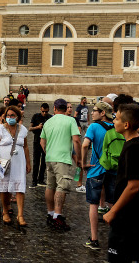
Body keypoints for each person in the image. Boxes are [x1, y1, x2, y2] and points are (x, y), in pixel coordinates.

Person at [103, 104, 139, 263]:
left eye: (116, 119)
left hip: (130, 213)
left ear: (126, 125)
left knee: (118, 257)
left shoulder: (133, 148)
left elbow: (133, 186)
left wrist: (113, 211)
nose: (113, 122)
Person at [40, 98, 81, 231]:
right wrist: (79, 158)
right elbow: (76, 140)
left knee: (50, 186)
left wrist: (48, 152)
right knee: (61, 187)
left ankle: (50, 213)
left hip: (50, 158)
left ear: (55, 108)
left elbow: (42, 142)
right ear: (65, 109)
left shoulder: (48, 122)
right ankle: (57, 217)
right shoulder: (70, 120)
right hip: (62, 158)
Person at [80, 101, 116, 250]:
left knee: (93, 205)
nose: (92, 112)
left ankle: (94, 239)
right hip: (113, 170)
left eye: (95, 110)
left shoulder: (94, 126)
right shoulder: (116, 127)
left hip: (96, 169)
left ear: (102, 113)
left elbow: (84, 145)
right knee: (113, 204)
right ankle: (116, 239)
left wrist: (83, 163)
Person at [0, 105, 30, 226]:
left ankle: (20, 215)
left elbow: (25, 146)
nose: (10, 117)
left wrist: (28, 162)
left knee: (20, 187)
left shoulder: (23, 129)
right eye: (8, 115)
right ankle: (5, 212)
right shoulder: (0, 129)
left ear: (17, 116)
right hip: (4, 162)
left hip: (19, 162)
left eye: (12, 115)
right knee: (4, 188)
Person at [28, 103, 51, 188]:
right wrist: (38, 127)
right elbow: (30, 128)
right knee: (36, 162)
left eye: (46, 112)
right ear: (40, 110)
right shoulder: (35, 116)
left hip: (47, 142)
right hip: (37, 141)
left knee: (44, 162)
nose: (44, 113)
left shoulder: (50, 117)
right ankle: (34, 181)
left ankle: (41, 180)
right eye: (43, 111)